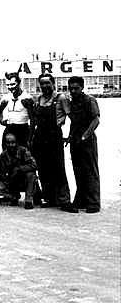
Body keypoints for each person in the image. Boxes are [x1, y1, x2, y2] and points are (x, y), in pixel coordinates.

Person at [31, 73, 76, 212]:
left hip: (54, 135)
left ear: (53, 83)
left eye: (47, 83)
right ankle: (50, 198)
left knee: (58, 168)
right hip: (40, 136)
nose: (44, 86)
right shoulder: (38, 99)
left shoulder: (61, 98)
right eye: (42, 83)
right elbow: (34, 121)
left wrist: (70, 135)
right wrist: (31, 138)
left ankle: (64, 200)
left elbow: (71, 117)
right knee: (43, 168)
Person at [63, 76, 101, 213]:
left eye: (76, 88)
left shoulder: (90, 100)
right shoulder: (72, 103)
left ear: (82, 87)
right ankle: (81, 199)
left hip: (88, 141)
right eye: (71, 88)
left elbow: (96, 120)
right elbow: (74, 122)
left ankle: (94, 203)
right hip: (75, 141)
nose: (73, 91)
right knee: (78, 171)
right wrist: (70, 137)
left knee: (90, 171)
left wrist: (85, 136)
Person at [0, 132, 39, 209]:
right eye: (8, 143)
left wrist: (19, 169)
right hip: (12, 181)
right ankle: (13, 197)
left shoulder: (24, 151)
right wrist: (8, 177)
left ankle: (28, 200)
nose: (10, 145)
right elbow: (0, 173)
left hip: (24, 180)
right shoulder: (3, 156)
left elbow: (34, 165)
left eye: (13, 142)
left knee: (30, 175)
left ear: (16, 143)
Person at [0, 72, 34, 148]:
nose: (10, 87)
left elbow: (33, 120)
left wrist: (30, 138)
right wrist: (1, 121)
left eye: (13, 84)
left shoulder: (27, 98)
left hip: (22, 130)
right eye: (8, 85)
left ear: (19, 83)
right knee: (7, 155)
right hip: (9, 130)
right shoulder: (6, 98)